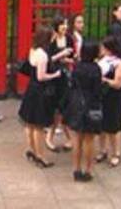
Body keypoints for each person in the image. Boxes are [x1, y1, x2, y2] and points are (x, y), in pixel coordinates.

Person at [18, 25, 62, 168]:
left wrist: (59, 56)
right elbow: (41, 76)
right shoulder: (43, 55)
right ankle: (40, 156)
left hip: (31, 90)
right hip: (40, 93)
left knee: (29, 124)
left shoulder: (34, 50)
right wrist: (56, 75)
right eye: (52, 36)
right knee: (39, 126)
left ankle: (31, 150)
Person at [66, 43, 103, 182]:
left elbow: (72, 85)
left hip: (76, 104)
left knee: (77, 140)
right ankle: (88, 170)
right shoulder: (96, 69)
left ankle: (76, 169)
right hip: (90, 105)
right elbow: (98, 90)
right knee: (89, 140)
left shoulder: (77, 67)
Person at [97, 35, 121, 168]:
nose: (101, 49)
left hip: (115, 97)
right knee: (101, 125)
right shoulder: (102, 60)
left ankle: (116, 152)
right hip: (103, 95)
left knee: (114, 126)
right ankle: (102, 149)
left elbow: (118, 83)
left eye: (103, 47)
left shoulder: (120, 64)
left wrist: (104, 80)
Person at [45, 16, 75, 153]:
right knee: (56, 109)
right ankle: (49, 137)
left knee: (65, 108)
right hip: (53, 77)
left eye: (66, 24)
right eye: (63, 24)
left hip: (65, 76)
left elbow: (73, 55)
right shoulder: (51, 39)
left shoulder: (69, 38)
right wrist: (61, 55)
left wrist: (68, 59)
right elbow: (47, 59)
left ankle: (68, 138)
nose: (65, 27)